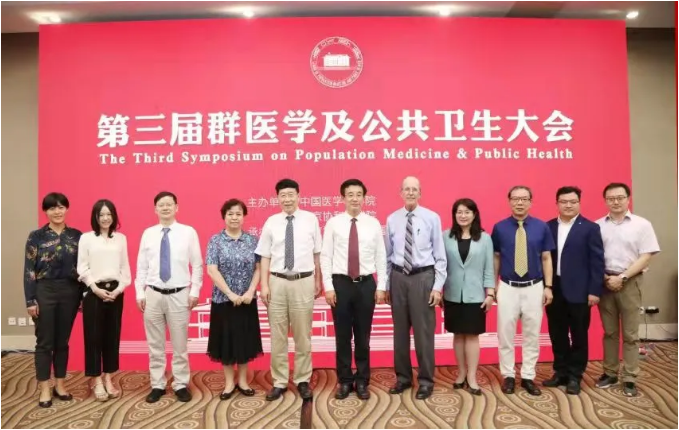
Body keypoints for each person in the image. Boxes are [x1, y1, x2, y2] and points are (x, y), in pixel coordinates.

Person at [255, 179, 323, 401]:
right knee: (278, 335)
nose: (287, 199)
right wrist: (264, 285)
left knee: (303, 335)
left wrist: (318, 280)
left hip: (304, 280)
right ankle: (280, 381)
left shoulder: (311, 219)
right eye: (283, 195)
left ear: (298, 195)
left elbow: (317, 253)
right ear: (277, 198)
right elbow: (265, 256)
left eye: (291, 194)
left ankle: (303, 379)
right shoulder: (271, 222)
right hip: (277, 282)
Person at [320, 179, 387, 400]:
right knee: (342, 335)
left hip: (366, 284)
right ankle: (345, 380)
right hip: (340, 284)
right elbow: (326, 256)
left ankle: (362, 380)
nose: (355, 198)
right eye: (350, 194)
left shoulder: (373, 223)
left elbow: (380, 256)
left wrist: (381, 286)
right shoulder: (333, 223)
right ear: (343, 198)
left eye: (359, 194)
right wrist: (328, 287)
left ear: (364, 198)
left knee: (363, 335)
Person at [135, 191, 203, 403]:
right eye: (161, 205)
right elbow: (141, 266)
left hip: (179, 294)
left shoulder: (188, 232)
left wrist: (194, 291)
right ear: (155, 209)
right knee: (155, 345)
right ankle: (157, 384)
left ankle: (181, 384)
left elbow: (197, 264)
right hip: (153, 294)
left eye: (169, 204)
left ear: (176, 207)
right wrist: (139, 292)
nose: (165, 208)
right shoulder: (148, 233)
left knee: (180, 345)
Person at [595, 182, 660, 397]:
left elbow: (646, 256)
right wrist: (606, 277)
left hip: (630, 281)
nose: (615, 202)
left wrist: (622, 277)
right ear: (605, 201)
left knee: (631, 334)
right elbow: (593, 256)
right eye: (611, 198)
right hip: (605, 281)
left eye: (620, 197)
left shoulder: (642, 225)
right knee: (610, 332)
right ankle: (610, 373)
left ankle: (630, 377)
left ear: (628, 199)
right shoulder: (597, 226)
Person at [385, 176, 447, 400]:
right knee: (400, 333)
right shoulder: (392, 219)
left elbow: (440, 256)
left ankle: (426, 381)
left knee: (423, 334)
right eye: (407, 189)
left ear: (420, 193)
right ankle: (403, 378)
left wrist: (437, 287)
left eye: (414, 189)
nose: (410, 193)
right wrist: (386, 285)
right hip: (398, 278)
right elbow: (388, 256)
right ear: (400, 193)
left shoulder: (432, 218)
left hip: (423, 278)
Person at [492, 185, 554, 396]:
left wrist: (548, 287)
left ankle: (528, 376)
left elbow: (546, 258)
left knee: (532, 334)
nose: (520, 202)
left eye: (524, 199)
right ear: (509, 201)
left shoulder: (541, 227)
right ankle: (508, 376)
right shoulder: (500, 228)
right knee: (505, 334)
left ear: (530, 202)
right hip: (508, 286)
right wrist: (493, 286)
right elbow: (496, 257)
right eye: (515, 199)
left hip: (534, 287)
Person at [24, 192, 83, 408]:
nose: (57, 211)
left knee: (62, 342)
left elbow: (84, 268)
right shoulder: (36, 237)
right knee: (44, 342)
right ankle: (44, 388)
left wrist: (82, 296)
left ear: (66, 209)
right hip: (44, 291)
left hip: (70, 291)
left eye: (61, 207)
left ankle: (60, 384)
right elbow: (29, 270)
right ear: (45, 211)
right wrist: (30, 300)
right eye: (52, 208)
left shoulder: (77, 236)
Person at [544, 187, 604, 395]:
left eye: (572, 201)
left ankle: (575, 376)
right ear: (557, 203)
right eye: (563, 201)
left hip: (580, 290)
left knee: (579, 334)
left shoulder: (590, 228)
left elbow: (597, 262)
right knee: (557, 333)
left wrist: (594, 290)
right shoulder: (548, 226)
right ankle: (560, 372)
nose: (568, 205)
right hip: (554, 289)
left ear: (579, 203)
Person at [206, 199, 263, 399]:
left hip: (246, 300)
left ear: (244, 217)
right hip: (223, 300)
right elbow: (212, 270)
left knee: (244, 341)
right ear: (224, 216)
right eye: (230, 214)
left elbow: (259, 268)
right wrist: (230, 294)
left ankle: (244, 381)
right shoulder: (216, 241)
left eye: (238, 214)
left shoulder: (252, 241)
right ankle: (229, 383)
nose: (234, 217)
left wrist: (250, 292)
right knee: (226, 342)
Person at [77, 199, 132, 402]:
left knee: (111, 336)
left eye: (109, 214)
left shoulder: (121, 239)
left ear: (114, 216)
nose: (105, 218)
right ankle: (96, 380)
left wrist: (118, 289)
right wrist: (94, 288)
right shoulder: (86, 238)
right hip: (94, 292)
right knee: (93, 337)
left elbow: (125, 267)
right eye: (101, 214)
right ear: (95, 217)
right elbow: (82, 267)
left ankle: (109, 378)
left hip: (115, 292)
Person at [441, 198, 494, 396]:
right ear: (454, 215)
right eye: (459, 212)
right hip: (452, 293)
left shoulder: (485, 238)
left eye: (467, 212)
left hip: (475, 295)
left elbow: (489, 268)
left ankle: (472, 376)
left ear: (474, 214)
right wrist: (439, 290)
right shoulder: (445, 236)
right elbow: (440, 265)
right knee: (457, 335)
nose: (463, 216)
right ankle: (461, 373)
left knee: (472, 336)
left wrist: (490, 293)